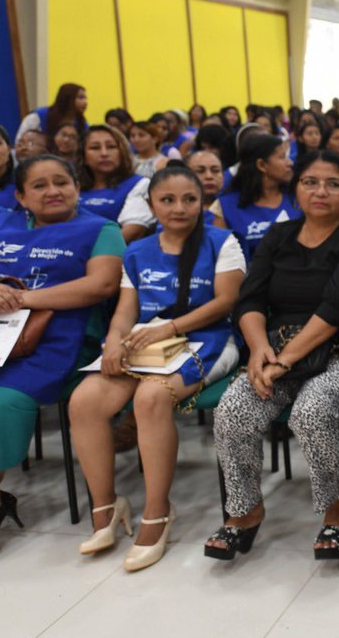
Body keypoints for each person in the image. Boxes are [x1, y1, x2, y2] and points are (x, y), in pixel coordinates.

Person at [207, 151, 339, 561]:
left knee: (312, 410)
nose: (321, 191)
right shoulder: (278, 236)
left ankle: (337, 509)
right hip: (277, 352)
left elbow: (338, 308)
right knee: (232, 410)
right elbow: (249, 299)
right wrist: (258, 350)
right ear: (296, 189)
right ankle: (244, 510)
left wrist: (282, 360)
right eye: (310, 182)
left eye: (333, 184)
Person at [69, 165, 244, 571]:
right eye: (167, 200)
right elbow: (126, 310)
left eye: (189, 199)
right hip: (146, 342)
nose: (179, 208)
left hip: (211, 340)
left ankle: (157, 511)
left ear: (202, 203)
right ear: (151, 205)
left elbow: (224, 303)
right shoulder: (137, 250)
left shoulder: (222, 241)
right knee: (84, 401)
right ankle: (105, 508)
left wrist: (169, 327)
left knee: (150, 396)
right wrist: (114, 341)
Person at [0, 155, 124, 556]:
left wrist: (20, 298)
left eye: (62, 182)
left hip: (62, 340)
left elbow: (102, 285)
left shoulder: (100, 228)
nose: (53, 191)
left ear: (77, 188)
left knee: (1, 397)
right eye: (39, 186)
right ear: (21, 196)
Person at [212, 134, 299, 261]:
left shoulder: (298, 198)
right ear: (262, 165)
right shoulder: (225, 206)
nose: (290, 163)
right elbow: (219, 258)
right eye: (282, 157)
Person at [77, 125, 154, 242]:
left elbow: (134, 229)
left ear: (122, 152)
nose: (104, 153)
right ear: (83, 156)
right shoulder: (74, 187)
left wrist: (94, 254)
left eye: (111, 147)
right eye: (95, 148)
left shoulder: (139, 184)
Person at [16, 83, 89, 147]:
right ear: (67, 98)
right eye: (81, 98)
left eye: (86, 98)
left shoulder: (82, 124)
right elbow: (20, 141)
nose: (85, 102)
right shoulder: (39, 116)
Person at [187, 150, 225, 224]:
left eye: (215, 170)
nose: (209, 176)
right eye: (200, 171)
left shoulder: (234, 208)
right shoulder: (178, 212)